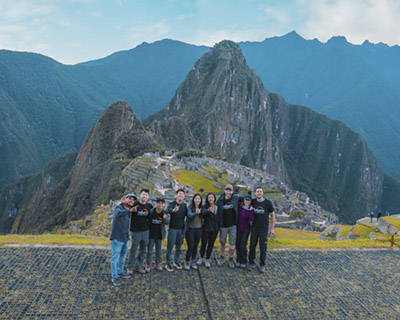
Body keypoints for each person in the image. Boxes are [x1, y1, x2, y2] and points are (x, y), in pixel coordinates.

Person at [216, 184, 251, 268]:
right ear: (224, 191)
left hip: (233, 225)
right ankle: (222, 257)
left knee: (232, 243)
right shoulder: (220, 200)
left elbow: (246, 199)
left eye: (230, 190)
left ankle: (231, 259)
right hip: (223, 225)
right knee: (222, 242)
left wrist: (249, 192)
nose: (228, 192)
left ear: (232, 192)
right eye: (227, 190)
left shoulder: (236, 198)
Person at [110, 193, 136, 286]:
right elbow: (118, 214)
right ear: (124, 199)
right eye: (129, 199)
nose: (131, 201)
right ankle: (114, 276)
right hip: (117, 238)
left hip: (125, 237)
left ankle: (120, 272)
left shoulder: (128, 210)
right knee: (115, 257)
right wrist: (129, 211)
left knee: (123, 256)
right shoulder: (119, 208)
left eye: (133, 200)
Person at [248, 186, 275, 273]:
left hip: (263, 229)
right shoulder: (253, 202)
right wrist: (248, 192)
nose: (259, 193)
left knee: (263, 247)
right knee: (252, 246)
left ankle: (262, 264)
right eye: (257, 191)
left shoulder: (268, 203)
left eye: (260, 191)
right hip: (254, 228)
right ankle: (251, 262)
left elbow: (273, 215)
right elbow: (246, 204)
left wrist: (272, 228)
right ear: (255, 193)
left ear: (262, 193)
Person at [127, 189, 153, 274]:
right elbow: (126, 211)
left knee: (142, 250)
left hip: (146, 231)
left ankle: (139, 266)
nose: (144, 196)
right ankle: (130, 267)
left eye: (146, 195)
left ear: (148, 197)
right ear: (140, 195)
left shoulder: (149, 207)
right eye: (143, 194)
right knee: (133, 250)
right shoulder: (135, 205)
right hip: (136, 231)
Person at [165, 189, 187, 272]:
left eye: (182, 194)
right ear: (176, 195)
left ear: (184, 196)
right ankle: (168, 263)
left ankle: (176, 261)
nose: (180, 195)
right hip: (172, 229)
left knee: (178, 247)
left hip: (181, 229)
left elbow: (187, 215)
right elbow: (169, 211)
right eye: (179, 194)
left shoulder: (184, 205)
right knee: (170, 246)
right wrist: (173, 210)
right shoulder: (172, 204)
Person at [145, 197, 170, 272]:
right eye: (159, 203)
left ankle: (158, 264)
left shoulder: (165, 212)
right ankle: (148, 264)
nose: (160, 204)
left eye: (162, 203)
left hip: (159, 234)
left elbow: (167, 222)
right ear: (156, 204)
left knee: (158, 250)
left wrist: (165, 218)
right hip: (151, 234)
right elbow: (147, 221)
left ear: (164, 204)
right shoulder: (152, 211)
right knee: (149, 250)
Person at [198, 193, 219, 268]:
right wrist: (207, 210)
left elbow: (219, 218)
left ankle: (207, 258)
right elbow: (202, 214)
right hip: (206, 229)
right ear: (207, 199)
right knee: (203, 243)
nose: (210, 199)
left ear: (214, 198)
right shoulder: (205, 207)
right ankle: (201, 257)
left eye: (212, 197)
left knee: (211, 244)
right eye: (209, 197)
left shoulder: (217, 207)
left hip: (214, 229)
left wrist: (218, 227)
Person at [184, 193, 203, 270]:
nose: (197, 200)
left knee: (195, 246)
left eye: (199, 199)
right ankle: (187, 261)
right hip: (190, 229)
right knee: (190, 246)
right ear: (193, 200)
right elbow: (189, 215)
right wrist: (196, 212)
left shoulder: (202, 208)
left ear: (201, 200)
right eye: (196, 199)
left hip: (198, 229)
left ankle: (193, 261)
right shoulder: (190, 207)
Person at [235, 194, 254, 268]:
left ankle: (244, 259)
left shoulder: (251, 210)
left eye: (248, 200)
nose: (247, 201)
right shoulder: (240, 207)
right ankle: (238, 259)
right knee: (237, 244)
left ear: (250, 201)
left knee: (243, 245)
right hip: (238, 228)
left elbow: (251, 219)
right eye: (246, 200)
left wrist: (250, 211)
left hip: (246, 229)